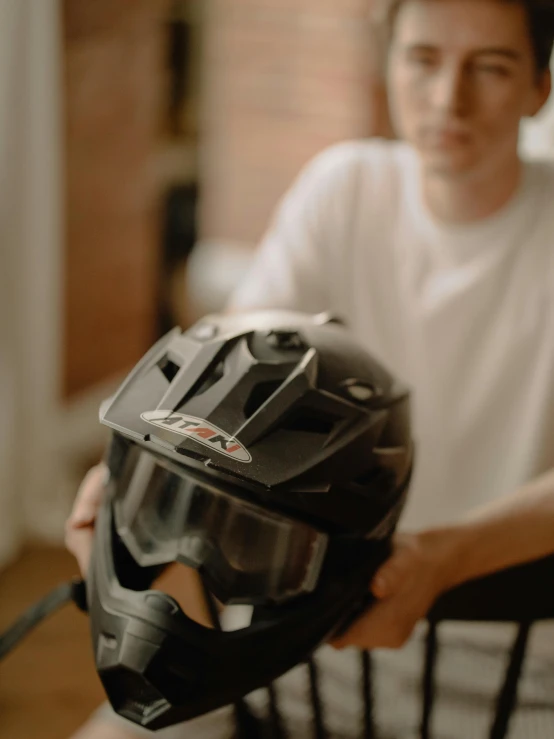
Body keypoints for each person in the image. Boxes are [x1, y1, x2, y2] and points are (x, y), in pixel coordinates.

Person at [65, 0, 554, 736]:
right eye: (422, 59)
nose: (448, 97)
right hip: (290, 654)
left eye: (490, 66)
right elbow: (224, 380)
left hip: (515, 680)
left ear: (540, 89)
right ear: (389, 62)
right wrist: (132, 485)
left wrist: (441, 561)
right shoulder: (346, 189)